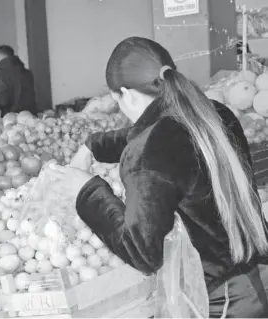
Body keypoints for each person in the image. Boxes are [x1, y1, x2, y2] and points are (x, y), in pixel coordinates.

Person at [48, 37, 268, 318]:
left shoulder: (149, 153)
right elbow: (159, 137)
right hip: (256, 268)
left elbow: (142, 252)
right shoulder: (214, 113)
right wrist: (93, 146)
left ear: (126, 94)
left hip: (224, 298)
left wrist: (87, 190)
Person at [0, 45, 37, 117]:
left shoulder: (1, 75)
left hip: (12, 119)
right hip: (30, 116)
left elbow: (2, 101)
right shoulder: (27, 73)